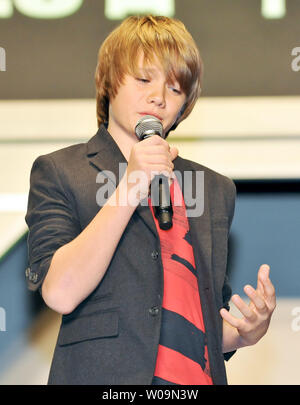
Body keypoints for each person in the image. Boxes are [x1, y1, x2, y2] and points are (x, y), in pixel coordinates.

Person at [25, 15, 276, 385]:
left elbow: (197, 320)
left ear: (184, 107)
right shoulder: (61, 172)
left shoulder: (214, 189)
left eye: (175, 89)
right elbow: (60, 292)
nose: (158, 96)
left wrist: (244, 331)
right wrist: (131, 184)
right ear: (109, 80)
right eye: (144, 79)